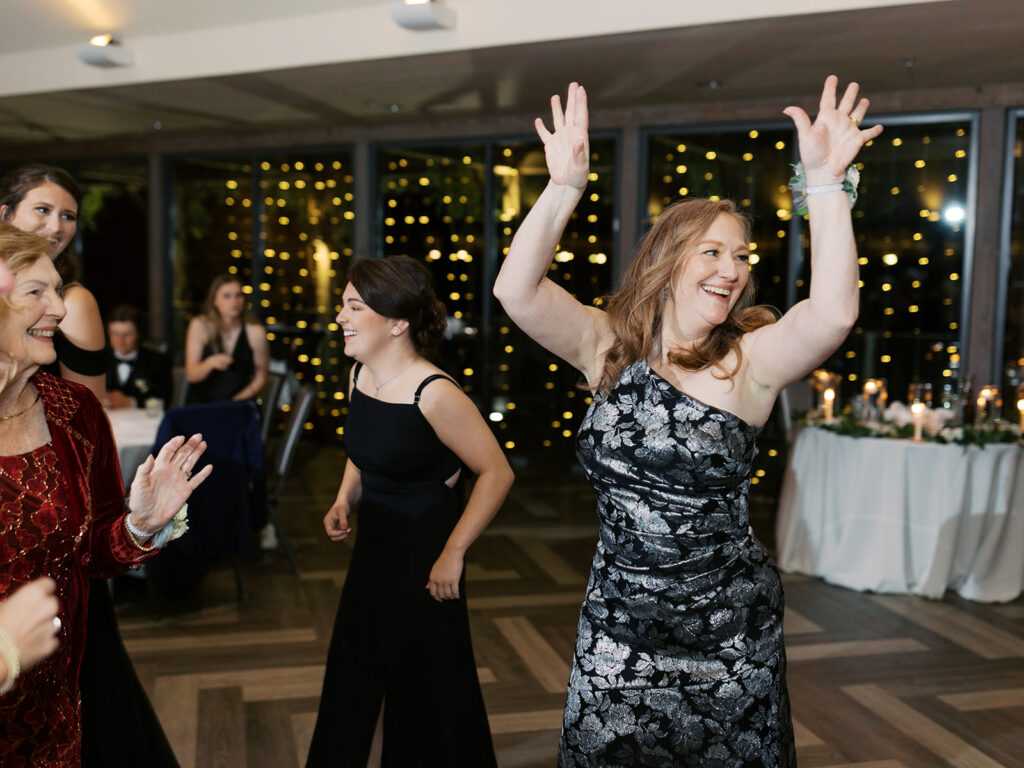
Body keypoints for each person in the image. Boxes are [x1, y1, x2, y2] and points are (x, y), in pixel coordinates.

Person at [493, 77, 882, 766]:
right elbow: (515, 291)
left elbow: (832, 314)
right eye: (713, 251)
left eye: (742, 257)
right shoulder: (607, 347)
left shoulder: (749, 362)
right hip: (617, 633)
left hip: (729, 641)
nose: (732, 270)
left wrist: (824, 186)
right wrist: (562, 188)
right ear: (668, 263)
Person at [0, 223, 212, 764]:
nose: (60, 309)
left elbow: (93, 554)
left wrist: (141, 525)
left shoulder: (75, 411)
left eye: (58, 289)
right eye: (37, 291)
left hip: (61, 712)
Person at [306, 255, 514, 768]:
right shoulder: (360, 376)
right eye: (344, 305)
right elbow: (365, 449)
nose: (340, 317)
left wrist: (453, 554)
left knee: (423, 682)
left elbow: (497, 473)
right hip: (374, 549)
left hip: (426, 558)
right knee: (358, 667)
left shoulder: (434, 393)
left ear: (397, 323)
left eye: (354, 307)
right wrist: (344, 497)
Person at [0, 164, 107, 399]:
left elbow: (88, 413)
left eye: (68, 216)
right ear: (5, 214)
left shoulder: (73, 304)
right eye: (42, 210)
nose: (56, 227)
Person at [185, 275, 269, 404]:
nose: (234, 301)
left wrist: (236, 401)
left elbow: (261, 378)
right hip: (203, 404)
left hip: (240, 403)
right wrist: (210, 363)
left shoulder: (256, 331)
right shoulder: (200, 325)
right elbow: (192, 376)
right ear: (214, 300)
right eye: (227, 296)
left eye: (238, 295)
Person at [104, 305, 173, 409]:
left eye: (127, 334)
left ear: (139, 334)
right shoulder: (99, 360)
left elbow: (163, 401)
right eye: (115, 334)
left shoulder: (159, 361)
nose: (120, 340)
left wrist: (132, 402)